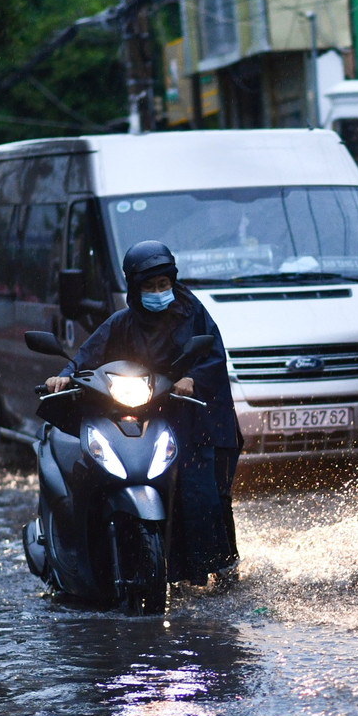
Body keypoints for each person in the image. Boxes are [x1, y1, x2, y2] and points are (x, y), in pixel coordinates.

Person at [44, 240, 241, 584]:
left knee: (199, 493)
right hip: (150, 414)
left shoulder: (191, 313)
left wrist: (192, 379)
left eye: (163, 285)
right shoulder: (124, 321)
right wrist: (64, 376)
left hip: (194, 418)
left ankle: (216, 570)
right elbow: (89, 354)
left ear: (173, 283)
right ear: (135, 289)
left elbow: (213, 357)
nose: (157, 293)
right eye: (148, 287)